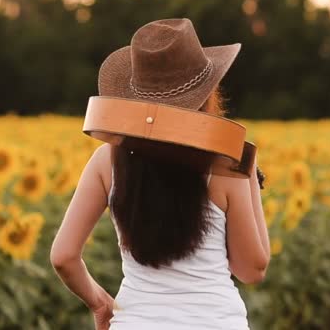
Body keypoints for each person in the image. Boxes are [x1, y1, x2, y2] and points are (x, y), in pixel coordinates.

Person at [50, 18, 270, 330]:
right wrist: (247, 169)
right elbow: (252, 269)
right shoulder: (224, 166)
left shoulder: (106, 161)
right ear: (208, 93)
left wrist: (100, 303)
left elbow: (63, 256)